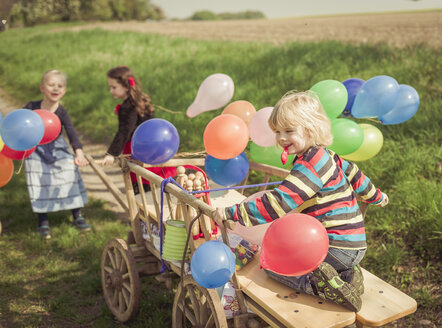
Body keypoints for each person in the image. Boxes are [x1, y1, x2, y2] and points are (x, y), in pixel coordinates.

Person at [213, 91, 389, 312]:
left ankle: (316, 284)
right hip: (355, 246)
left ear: (310, 129)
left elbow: (280, 202)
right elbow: (357, 176)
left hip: (333, 247)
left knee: (272, 267)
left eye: (289, 131)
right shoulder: (329, 156)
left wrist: (233, 213)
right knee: (306, 256)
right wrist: (377, 196)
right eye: (277, 132)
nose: (282, 138)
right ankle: (347, 276)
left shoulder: (310, 165)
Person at [24, 69, 91, 240]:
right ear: (42, 88)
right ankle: (43, 219)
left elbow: (72, 134)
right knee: (37, 177)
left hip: (57, 148)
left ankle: (77, 214)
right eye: (51, 84)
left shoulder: (61, 112)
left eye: (59, 86)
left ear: (64, 91)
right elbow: (20, 125)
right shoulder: (31, 107)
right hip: (36, 149)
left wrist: (79, 154)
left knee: (69, 173)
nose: (55, 88)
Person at [101, 66, 176, 193]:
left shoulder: (128, 106)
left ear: (125, 85)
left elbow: (124, 131)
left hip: (136, 148)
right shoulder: (141, 99)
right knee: (151, 180)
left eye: (114, 87)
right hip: (152, 146)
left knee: (140, 180)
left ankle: (142, 207)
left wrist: (111, 154)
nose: (111, 91)